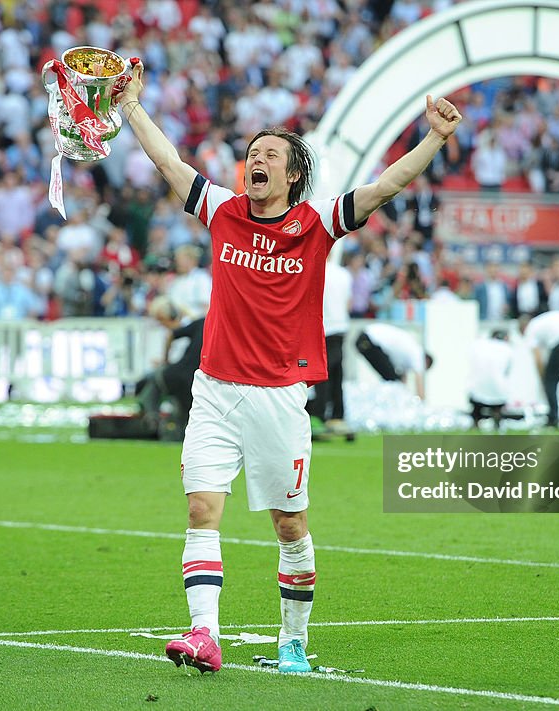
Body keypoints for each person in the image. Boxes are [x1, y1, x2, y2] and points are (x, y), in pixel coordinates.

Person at [116, 57, 462, 674]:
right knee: (201, 509)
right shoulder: (222, 211)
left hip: (278, 395)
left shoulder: (316, 223)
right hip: (214, 389)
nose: (257, 159)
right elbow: (169, 164)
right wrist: (130, 106)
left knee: (289, 522)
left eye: (271, 154)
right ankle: (204, 635)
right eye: (253, 152)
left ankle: (294, 641)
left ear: (293, 172)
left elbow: (385, 187)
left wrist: (434, 137)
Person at [137, 296, 204, 431]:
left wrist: (165, 360)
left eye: (160, 320)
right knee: (186, 413)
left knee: (151, 383)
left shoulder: (194, 324)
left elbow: (172, 337)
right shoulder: (203, 324)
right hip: (195, 379)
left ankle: (152, 418)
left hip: (177, 374)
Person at [306, 258, 352, 433]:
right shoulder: (344, 274)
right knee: (337, 375)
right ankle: (338, 415)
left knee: (321, 375)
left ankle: (318, 415)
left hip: (324, 328)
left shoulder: (315, 269)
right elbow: (349, 303)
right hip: (341, 328)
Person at [355, 321, 433, 400]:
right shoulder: (418, 354)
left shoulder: (409, 353)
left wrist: (404, 396)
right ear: (426, 361)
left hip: (365, 339)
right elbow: (419, 382)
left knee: (393, 380)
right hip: (368, 340)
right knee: (393, 381)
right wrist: (422, 402)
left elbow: (403, 378)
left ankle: (386, 400)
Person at [466, 329, 513, 427]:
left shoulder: (479, 345)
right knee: (498, 404)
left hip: (477, 388)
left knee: (476, 407)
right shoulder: (507, 349)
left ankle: (475, 424)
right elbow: (507, 371)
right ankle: (497, 424)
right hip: (498, 389)